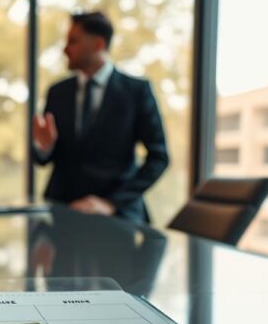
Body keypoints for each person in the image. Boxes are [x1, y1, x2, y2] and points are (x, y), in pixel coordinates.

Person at [32, 11, 168, 223]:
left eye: (73, 41)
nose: (65, 49)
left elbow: (159, 157)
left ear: (98, 44)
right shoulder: (57, 92)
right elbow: (45, 158)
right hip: (62, 215)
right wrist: (44, 147)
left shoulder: (136, 92)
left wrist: (112, 203)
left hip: (117, 216)